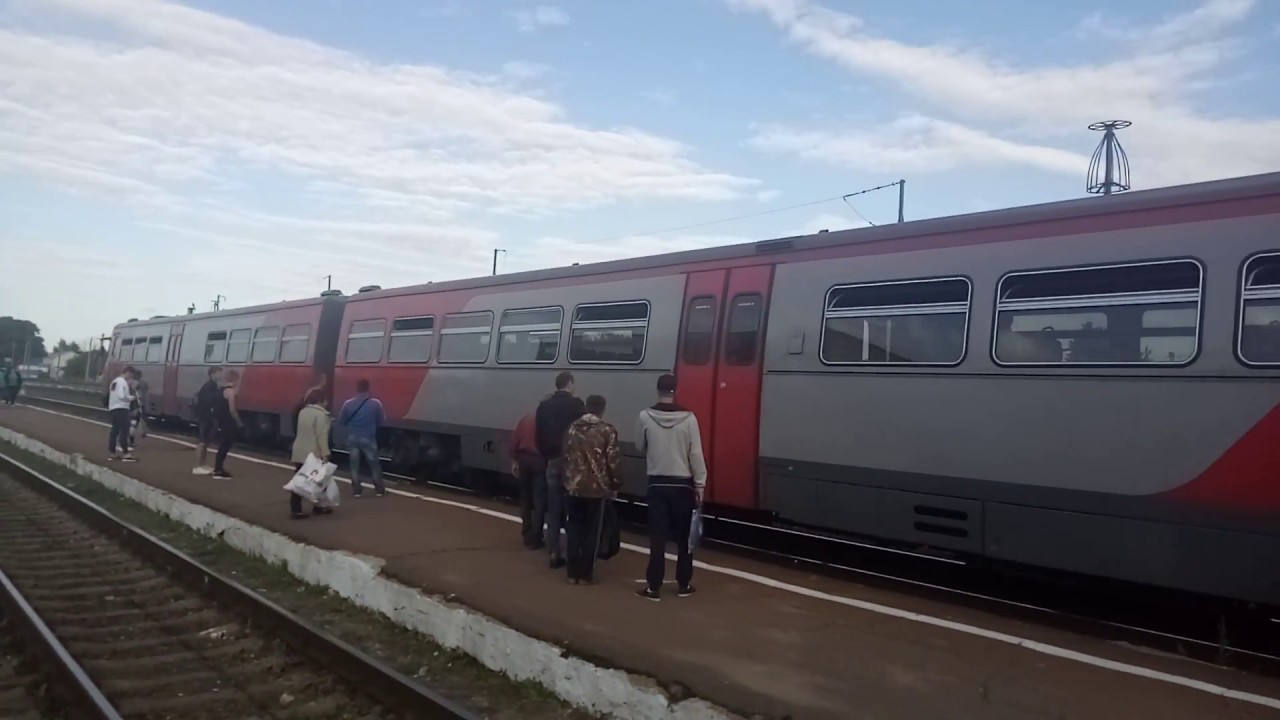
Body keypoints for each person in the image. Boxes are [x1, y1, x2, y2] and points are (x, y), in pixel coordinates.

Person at [635, 373, 707, 601]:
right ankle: (684, 584)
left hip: (657, 483)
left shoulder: (645, 416)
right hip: (682, 485)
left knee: (657, 538)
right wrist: (700, 483)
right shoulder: (689, 418)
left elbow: (639, 446)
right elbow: (695, 453)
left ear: (658, 390)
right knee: (684, 537)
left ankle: (653, 588)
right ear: (675, 390)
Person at [561, 394, 622, 585]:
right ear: (602, 409)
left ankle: (572, 573)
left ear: (586, 407)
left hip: (574, 487)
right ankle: (586, 574)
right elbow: (613, 462)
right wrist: (615, 484)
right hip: (597, 489)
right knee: (592, 531)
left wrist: (568, 479)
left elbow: (564, 455)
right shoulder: (607, 431)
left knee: (574, 528)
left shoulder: (571, 429)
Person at [535, 371, 585, 569]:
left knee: (554, 509)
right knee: (573, 510)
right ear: (569, 384)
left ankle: (554, 552)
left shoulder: (544, 406)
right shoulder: (577, 405)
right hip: (572, 463)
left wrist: (547, 455)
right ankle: (573, 553)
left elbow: (538, 437)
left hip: (553, 460)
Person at [510, 398, 549, 550]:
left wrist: (514, 461)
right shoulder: (546, 422)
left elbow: (514, 441)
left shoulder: (526, 419)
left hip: (523, 461)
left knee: (525, 499)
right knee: (539, 501)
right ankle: (535, 537)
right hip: (539, 462)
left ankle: (526, 533)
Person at [290, 388, 335, 519]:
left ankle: (296, 509)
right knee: (320, 481)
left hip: (299, 451)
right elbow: (322, 437)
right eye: (325, 401)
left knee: (299, 481)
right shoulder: (321, 415)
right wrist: (325, 454)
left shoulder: (303, 412)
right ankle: (319, 507)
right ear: (321, 401)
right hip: (313, 453)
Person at [337, 379, 386, 497]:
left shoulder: (348, 403)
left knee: (354, 465)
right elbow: (381, 421)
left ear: (357, 388)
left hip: (353, 438)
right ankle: (379, 489)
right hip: (368, 438)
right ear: (368, 388)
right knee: (374, 464)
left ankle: (357, 491)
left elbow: (341, 421)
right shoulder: (376, 403)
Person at [192, 366, 223, 475]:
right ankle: (197, 466)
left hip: (207, 416)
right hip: (205, 417)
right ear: (212, 374)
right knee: (202, 442)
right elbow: (209, 400)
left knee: (205, 442)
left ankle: (202, 464)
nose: (220, 375)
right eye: (219, 373)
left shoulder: (211, 385)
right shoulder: (210, 386)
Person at [212, 369, 243, 479]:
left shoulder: (220, 390)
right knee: (225, 445)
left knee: (223, 445)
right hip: (228, 421)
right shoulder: (230, 392)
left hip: (221, 420)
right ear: (235, 379)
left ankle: (218, 467)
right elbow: (232, 409)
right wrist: (238, 421)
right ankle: (218, 469)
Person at [107, 366, 138, 462]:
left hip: (113, 408)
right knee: (124, 430)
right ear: (127, 372)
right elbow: (121, 396)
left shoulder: (114, 381)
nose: (130, 377)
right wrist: (131, 398)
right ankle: (125, 453)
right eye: (131, 375)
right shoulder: (122, 382)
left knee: (114, 430)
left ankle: (112, 453)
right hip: (121, 408)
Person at [130, 370, 150, 443]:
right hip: (142, 405)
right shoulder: (144, 383)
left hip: (133, 405)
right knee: (142, 419)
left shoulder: (131, 383)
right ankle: (143, 431)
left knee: (133, 422)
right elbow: (146, 395)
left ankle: (131, 440)